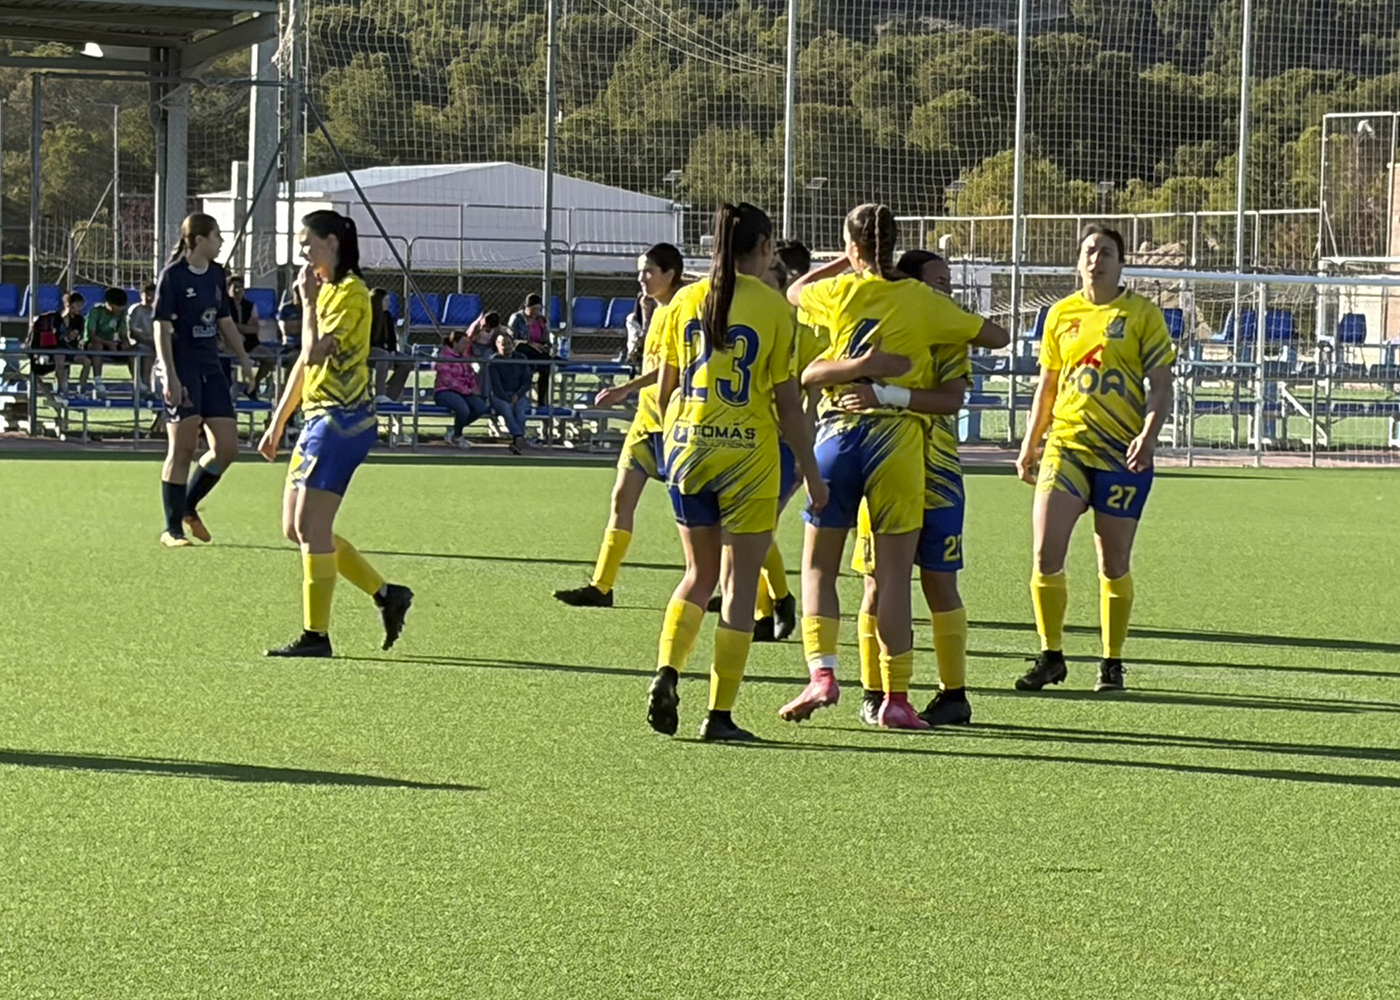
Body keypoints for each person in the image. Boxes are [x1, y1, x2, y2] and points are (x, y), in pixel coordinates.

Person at [777, 204, 1001, 730]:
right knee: (894, 578)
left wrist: (847, 263)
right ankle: (895, 697)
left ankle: (822, 673)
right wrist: (937, 320)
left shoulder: (840, 293)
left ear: (852, 247)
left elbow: (795, 293)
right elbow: (996, 336)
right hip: (899, 445)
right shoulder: (925, 303)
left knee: (820, 568)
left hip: (837, 434)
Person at [645, 203, 826, 742]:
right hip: (748, 454)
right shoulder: (773, 309)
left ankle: (667, 670)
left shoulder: (684, 301)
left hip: (688, 449)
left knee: (697, 575)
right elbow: (788, 404)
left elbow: (664, 390)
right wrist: (812, 474)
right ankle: (719, 714)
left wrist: (675, 439)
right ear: (766, 247)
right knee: (739, 586)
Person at [842, 249, 1008, 727]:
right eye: (938, 282)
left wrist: (890, 395)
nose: (946, 291)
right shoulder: (883, 330)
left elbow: (951, 400)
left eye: (948, 282)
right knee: (876, 584)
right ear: (911, 286)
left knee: (940, 582)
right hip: (885, 470)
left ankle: (954, 694)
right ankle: (875, 691)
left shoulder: (949, 335)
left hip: (937, 475)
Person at [1014, 224, 1174, 693]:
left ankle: (1111, 661)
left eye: (1105, 252)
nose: (1095, 259)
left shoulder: (1142, 314)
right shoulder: (1061, 313)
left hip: (1120, 454)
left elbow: (1161, 385)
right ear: (1077, 260)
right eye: (1088, 251)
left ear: (1121, 263)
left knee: (1113, 561)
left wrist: (1148, 435)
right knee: (1045, 553)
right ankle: (1051, 655)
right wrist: (1030, 442)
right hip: (1066, 446)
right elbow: (1047, 384)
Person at [256, 209, 414, 658]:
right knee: (295, 528)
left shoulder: (352, 294)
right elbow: (303, 367)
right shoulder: (326, 290)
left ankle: (316, 636)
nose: (302, 253)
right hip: (317, 419)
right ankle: (387, 594)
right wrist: (278, 421)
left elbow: (315, 352)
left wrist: (306, 304)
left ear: (331, 243)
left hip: (342, 421)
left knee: (312, 527)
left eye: (307, 243)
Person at [553, 243, 686, 608]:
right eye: (640, 270)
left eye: (648, 271)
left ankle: (769, 597)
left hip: (676, 425)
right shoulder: (655, 310)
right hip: (646, 422)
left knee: (709, 518)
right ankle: (601, 586)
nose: (641, 278)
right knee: (621, 498)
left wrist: (624, 388)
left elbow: (672, 370)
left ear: (670, 274)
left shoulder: (683, 310)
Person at [151, 213, 255, 548]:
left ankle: (188, 505)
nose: (221, 242)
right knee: (182, 449)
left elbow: (224, 321)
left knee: (226, 448)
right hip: (182, 369)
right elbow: (161, 327)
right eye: (216, 236)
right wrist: (169, 374)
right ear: (198, 240)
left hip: (212, 369)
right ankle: (172, 530)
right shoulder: (173, 276)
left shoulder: (216, 274)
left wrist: (244, 359)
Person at [434, 328, 489, 450]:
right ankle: (457, 436)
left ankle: (454, 430)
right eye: (463, 343)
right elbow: (448, 380)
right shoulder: (444, 357)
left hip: (464, 392)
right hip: (445, 391)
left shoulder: (465, 358)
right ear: (455, 343)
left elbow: (470, 376)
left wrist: (474, 388)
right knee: (463, 409)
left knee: (480, 407)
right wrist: (468, 390)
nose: (466, 346)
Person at [26, 291, 85, 396]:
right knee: (60, 358)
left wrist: (74, 336)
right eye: (78, 305)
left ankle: (81, 390)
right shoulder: (55, 318)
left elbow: (79, 336)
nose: (80, 308)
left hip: (70, 349)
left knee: (87, 361)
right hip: (56, 349)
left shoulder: (79, 320)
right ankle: (61, 389)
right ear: (69, 305)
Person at [228, 275, 275, 399]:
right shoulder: (223, 306)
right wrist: (242, 328)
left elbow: (254, 329)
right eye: (235, 287)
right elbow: (223, 327)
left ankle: (253, 387)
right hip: (229, 343)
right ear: (228, 289)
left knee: (271, 358)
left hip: (250, 343)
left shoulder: (250, 306)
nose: (238, 290)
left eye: (240, 287)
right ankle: (232, 388)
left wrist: (235, 326)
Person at [79, 286, 128, 398]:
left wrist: (125, 342)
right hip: (93, 344)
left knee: (134, 350)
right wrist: (109, 344)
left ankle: (139, 383)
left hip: (111, 344)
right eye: (117, 307)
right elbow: (92, 336)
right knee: (97, 347)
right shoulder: (96, 311)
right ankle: (98, 380)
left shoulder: (121, 314)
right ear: (109, 304)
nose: (119, 310)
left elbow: (123, 333)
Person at [507, 293, 554, 406]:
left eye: (538, 309)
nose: (535, 312)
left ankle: (542, 401)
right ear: (526, 307)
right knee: (526, 350)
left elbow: (546, 340)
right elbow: (511, 339)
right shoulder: (517, 318)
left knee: (546, 366)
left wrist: (545, 347)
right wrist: (531, 344)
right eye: (533, 309)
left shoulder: (541, 320)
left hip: (538, 351)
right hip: (521, 349)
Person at [488, 331, 531, 454]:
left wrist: (517, 395)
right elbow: (496, 386)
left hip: (519, 394)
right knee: (507, 410)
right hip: (499, 396)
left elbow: (527, 382)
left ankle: (517, 442)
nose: (506, 347)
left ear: (513, 344)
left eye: (508, 343)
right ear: (497, 345)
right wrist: (508, 399)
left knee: (520, 413)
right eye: (503, 344)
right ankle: (519, 437)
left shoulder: (521, 359)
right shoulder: (494, 361)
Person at [368, 288, 413, 404]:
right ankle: (380, 393)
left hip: (386, 350)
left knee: (408, 362)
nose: (389, 303)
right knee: (383, 356)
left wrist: (392, 351)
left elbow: (392, 338)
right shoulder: (367, 316)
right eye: (386, 300)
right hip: (369, 350)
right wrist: (387, 352)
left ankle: (390, 396)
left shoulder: (387, 316)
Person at [126, 282, 157, 392]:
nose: (149, 298)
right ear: (141, 295)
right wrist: (149, 341)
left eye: (152, 295)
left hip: (156, 344)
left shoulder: (158, 311)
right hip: (140, 344)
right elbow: (133, 333)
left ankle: (148, 385)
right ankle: (143, 383)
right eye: (147, 295)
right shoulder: (135, 310)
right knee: (144, 350)